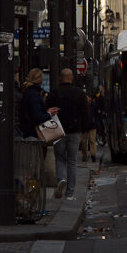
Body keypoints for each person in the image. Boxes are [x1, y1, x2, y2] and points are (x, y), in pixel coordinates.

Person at [47, 69, 89, 201]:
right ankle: (70, 193)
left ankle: (61, 179)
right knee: (72, 161)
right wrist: (84, 131)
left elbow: (46, 110)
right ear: (72, 78)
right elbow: (85, 113)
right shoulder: (79, 93)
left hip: (58, 130)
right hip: (75, 131)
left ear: (61, 78)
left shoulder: (54, 93)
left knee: (59, 159)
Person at [18, 68, 59, 140]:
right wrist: (49, 114)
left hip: (28, 131)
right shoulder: (34, 94)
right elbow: (37, 117)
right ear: (41, 80)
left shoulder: (28, 92)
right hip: (33, 133)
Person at [81, 91, 100, 164]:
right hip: (85, 126)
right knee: (84, 142)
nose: (87, 99)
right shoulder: (83, 105)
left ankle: (93, 155)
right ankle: (84, 155)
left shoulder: (93, 105)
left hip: (92, 125)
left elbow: (96, 115)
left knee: (92, 141)